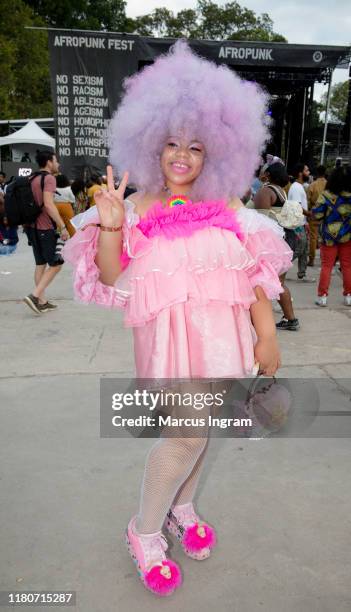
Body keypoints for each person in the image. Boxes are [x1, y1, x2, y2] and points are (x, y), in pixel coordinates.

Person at [63, 41, 293, 597]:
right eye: (170, 144)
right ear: (151, 146)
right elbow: (115, 277)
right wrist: (113, 226)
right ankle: (144, 530)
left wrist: (266, 334)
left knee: (201, 429)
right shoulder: (136, 205)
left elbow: (254, 276)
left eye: (195, 145)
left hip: (224, 337)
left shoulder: (231, 207)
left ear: (217, 149)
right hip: (170, 341)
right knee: (186, 434)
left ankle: (182, 507)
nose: (182, 156)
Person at [254, 162, 299, 331]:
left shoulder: (266, 191)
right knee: (279, 281)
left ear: (269, 174)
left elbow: (259, 221)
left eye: (264, 171)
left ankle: (263, 323)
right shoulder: (281, 191)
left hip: (270, 243)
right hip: (283, 240)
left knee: (265, 283)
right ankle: (290, 319)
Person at [23, 150, 69, 314]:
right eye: (56, 161)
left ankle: (41, 302)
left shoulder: (32, 178)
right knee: (57, 264)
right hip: (44, 228)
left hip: (32, 228)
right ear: (49, 162)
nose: (58, 164)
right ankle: (35, 296)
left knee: (41, 264)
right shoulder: (49, 178)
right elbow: (48, 204)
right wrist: (62, 226)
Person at [311, 165, 351, 307]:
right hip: (348, 235)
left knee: (326, 266)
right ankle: (348, 296)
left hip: (329, 236)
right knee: (347, 266)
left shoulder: (326, 195)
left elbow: (317, 214)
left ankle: (322, 297)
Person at [288, 163, 314, 281]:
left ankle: (302, 274)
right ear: (300, 173)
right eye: (307, 170)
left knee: (304, 249)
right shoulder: (297, 187)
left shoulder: (298, 186)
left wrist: (306, 222)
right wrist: (309, 214)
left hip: (301, 223)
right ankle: (281, 266)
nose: (308, 173)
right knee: (300, 247)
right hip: (297, 223)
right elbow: (297, 207)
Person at [307, 165, 327, 266]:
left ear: (317, 173)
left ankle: (311, 259)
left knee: (313, 237)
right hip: (328, 213)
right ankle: (326, 259)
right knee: (326, 237)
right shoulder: (329, 184)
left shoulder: (313, 185)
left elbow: (308, 200)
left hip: (314, 212)